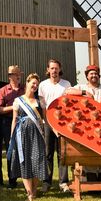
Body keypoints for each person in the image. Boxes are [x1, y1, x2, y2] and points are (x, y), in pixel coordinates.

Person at [7, 73, 48, 201]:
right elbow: (14, 119)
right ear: (27, 83)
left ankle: (34, 190)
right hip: (22, 134)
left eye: (37, 84)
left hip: (37, 134)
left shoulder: (40, 101)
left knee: (37, 160)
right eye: (33, 83)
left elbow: (45, 119)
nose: (35, 86)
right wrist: (11, 137)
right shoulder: (18, 101)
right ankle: (29, 193)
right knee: (24, 161)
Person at [38, 59, 71, 193]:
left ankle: (63, 182)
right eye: (52, 68)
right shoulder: (43, 85)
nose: (54, 71)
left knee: (62, 154)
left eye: (56, 68)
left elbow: (69, 104)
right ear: (48, 70)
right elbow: (43, 106)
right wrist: (48, 122)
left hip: (62, 124)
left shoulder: (66, 84)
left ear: (60, 69)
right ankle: (47, 181)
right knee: (47, 153)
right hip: (48, 124)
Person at [0, 65, 24, 189]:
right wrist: (14, 107)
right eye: (13, 74)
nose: (16, 76)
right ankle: (12, 180)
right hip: (8, 123)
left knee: (24, 149)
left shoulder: (24, 89)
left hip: (23, 121)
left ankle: (26, 178)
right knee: (11, 150)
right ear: (9, 76)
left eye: (18, 74)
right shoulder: (3, 90)